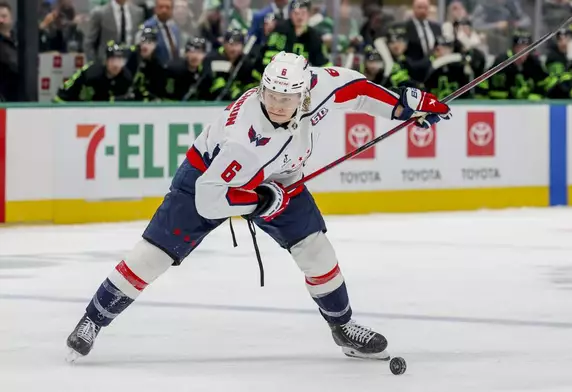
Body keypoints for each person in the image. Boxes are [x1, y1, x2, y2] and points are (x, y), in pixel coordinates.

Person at [65, 51, 451, 362]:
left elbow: (358, 90)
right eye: (273, 96)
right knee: (151, 257)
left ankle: (343, 328)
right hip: (211, 180)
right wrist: (261, 200)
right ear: (263, 89)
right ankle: (92, 321)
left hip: (280, 178)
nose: (279, 105)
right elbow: (211, 197)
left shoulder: (317, 85)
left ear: (304, 92)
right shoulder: (243, 137)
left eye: (288, 98)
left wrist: (405, 106)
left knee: (317, 251)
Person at [54, 41, 133, 102]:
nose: (116, 65)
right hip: (77, 107)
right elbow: (66, 90)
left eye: (120, 60)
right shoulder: (91, 73)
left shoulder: (126, 78)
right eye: (112, 60)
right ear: (106, 60)